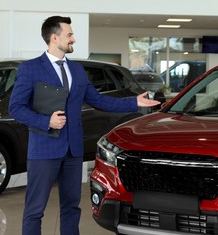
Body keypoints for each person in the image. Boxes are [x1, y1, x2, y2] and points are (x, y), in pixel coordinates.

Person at [8, 16, 160, 235]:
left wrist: (134, 102)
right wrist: (46, 121)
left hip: (73, 151)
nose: (74, 39)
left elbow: (98, 100)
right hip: (44, 150)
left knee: (71, 207)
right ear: (54, 37)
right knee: (35, 210)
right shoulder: (30, 69)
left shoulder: (77, 70)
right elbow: (16, 108)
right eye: (69, 35)